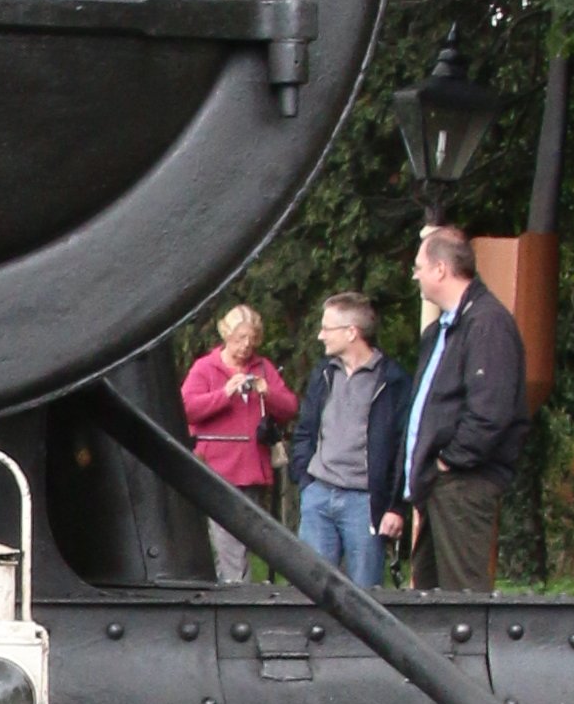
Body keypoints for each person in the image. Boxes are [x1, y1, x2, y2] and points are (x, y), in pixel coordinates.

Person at [397, 223, 527, 591]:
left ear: (440, 269)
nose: (416, 275)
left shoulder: (486, 324)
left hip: (462, 483)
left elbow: (491, 410)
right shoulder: (445, 329)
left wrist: (449, 461)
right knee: (429, 594)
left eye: (419, 266)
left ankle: (465, 652)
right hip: (441, 484)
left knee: (461, 599)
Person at [285, 292, 410, 590]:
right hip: (318, 496)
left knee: (364, 598)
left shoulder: (393, 382)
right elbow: (305, 430)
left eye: (327, 328)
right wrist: (306, 480)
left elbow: (403, 448)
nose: (320, 335)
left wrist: (396, 507)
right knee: (310, 592)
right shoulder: (324, 374)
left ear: (351, 332)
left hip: (365, 503)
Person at [180, 303, 296, 580]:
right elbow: (186, 408)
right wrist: (225, 394)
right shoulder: (205, 368)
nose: (246, 345)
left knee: (247, 540)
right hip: (217, 469)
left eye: (252, 339)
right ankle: (236, 594)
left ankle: (237, 590)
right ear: (226, 335)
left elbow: (290, 407)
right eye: (240, 338)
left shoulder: (263, 367)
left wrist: (267, 393)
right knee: (228, 544)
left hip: (253, 469)